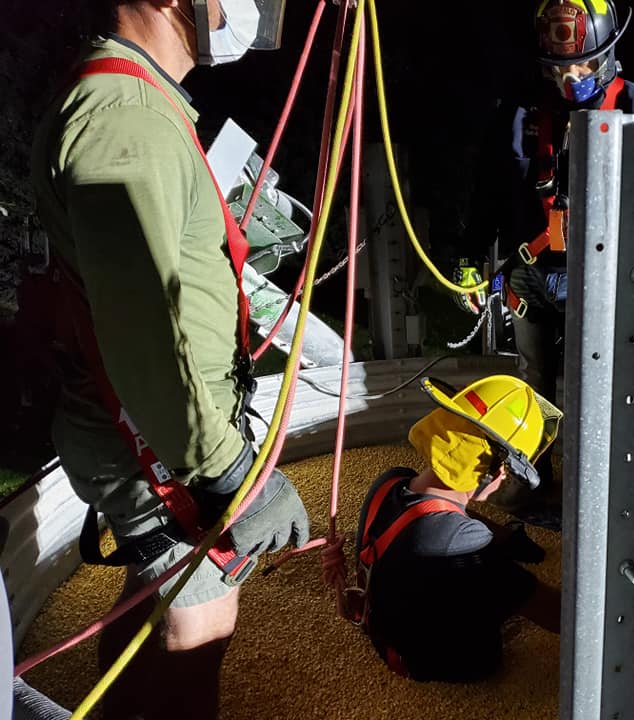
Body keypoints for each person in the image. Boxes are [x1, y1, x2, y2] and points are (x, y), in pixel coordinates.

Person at [29, 1, 309, 717]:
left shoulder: (139, 102)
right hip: (149, 433)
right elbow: (143, 335)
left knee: (153, 599)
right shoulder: (127, 117)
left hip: (153, 425)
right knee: (200, 621)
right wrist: (230, 475)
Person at [453, 0, 634, 519]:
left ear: (610, 53)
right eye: (559, 67)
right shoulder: (520, 113)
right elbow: (486, 192)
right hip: (530, 276)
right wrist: (467, 257)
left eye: (583, 65)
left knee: (595, 384)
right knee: (533, 379)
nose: (571, 77)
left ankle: (593, 492)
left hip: (604, 278)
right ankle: (530, 480)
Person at [322, 374, 563, 682]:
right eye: (508, 470)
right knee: (491, 608)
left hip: (383, 630)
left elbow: (442, 511)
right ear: (493, 470)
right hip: (432, 663)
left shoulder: (390, 481)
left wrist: (508, 539)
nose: (505, 478)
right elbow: (558, 615)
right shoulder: (465, 546)